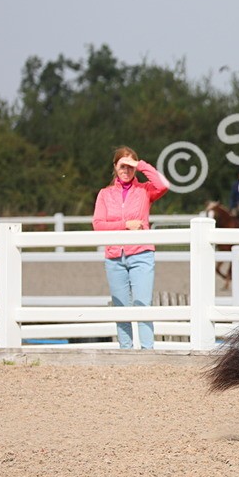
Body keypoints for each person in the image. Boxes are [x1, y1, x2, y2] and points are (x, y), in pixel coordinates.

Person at [92, 147, 170, 349]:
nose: (126, 170)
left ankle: (147, 350)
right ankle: (125, 350)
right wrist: (125, 225)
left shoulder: (145, 190)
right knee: (121, 308)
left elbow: (163, 184)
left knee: (143, 304)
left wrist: (141, 165)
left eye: (130, 166)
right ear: (115, 167)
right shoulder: (105, 194)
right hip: (114, 256)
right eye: (122, 165)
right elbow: (98, 224)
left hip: (141, 254)